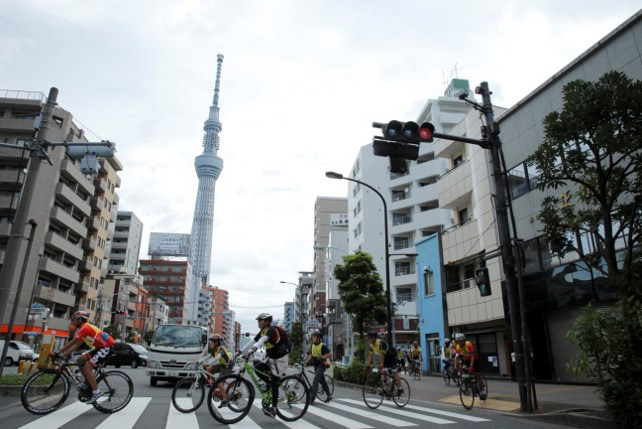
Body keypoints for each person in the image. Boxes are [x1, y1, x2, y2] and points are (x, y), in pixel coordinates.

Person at [49, 311, 115, 404]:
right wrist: (63, 355)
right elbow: (75, 346)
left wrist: (58, 353)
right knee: (80, 360)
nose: (72, 322)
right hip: (100, 347)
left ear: (80, 319)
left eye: (74, 320)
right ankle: (87, 383)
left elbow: (72, 342)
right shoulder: (84, 329)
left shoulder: (85, 328)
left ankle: (96, 392)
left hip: (107, 347)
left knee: (87, 367)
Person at [239, 313, 289, 418]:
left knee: (274, 382)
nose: (258, 322)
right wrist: (239, 352)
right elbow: (252, 341)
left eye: (260, 320)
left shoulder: (271, 330)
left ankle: (274, 409)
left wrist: (253, 350)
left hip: (281, 358)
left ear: (266, 322)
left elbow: (262, 341)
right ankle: (268, 383)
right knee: (257, 365)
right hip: (272, 357)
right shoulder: (262, 331)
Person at [453, 333, 486, 399]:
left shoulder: (468, 344)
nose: (459, 343)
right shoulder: (457, 347)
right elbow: (456, 358)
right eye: (458, 341)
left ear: (464, 340)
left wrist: (471, 366)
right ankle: (467, 385)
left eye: (461, 341)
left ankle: (482, 390)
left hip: (475, 359)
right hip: (466, 359)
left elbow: (473, 356)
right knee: (464, 370)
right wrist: (455, 367)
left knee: (478, 375)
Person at [305, 331, 332, 405]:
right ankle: (329, 396)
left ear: (318, 338)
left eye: (314, 337)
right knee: (322, 381)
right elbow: (311, 356)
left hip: (322, 366)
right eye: (312, 337)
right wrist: (306, 362)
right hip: (316, 366)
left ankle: (312, 399)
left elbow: (330, 354)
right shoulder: (312, 346)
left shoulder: (322, 346)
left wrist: (323, 357)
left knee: (315, 381)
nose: (312, 338)